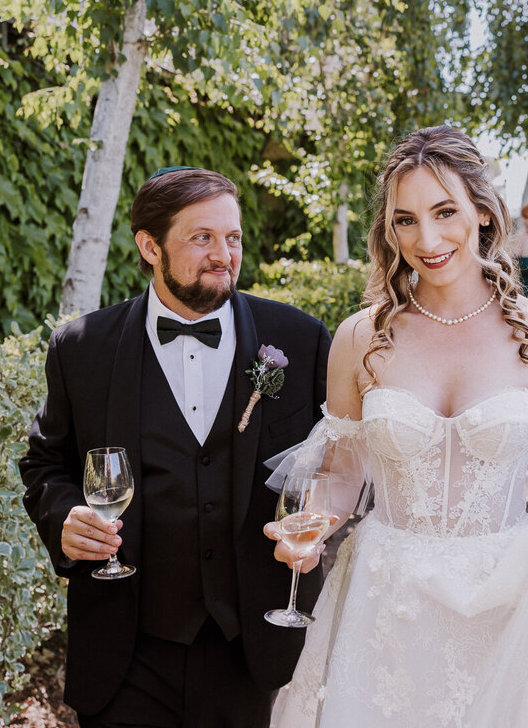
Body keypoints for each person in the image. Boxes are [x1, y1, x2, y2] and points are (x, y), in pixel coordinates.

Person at [264, 126, 528, 727]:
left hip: (505, 602)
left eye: (445, 212)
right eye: (406, 220)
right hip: (386, 604)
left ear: (483, 213)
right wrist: (312, 531)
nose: (428, 239)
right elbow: (342, 475)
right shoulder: (361, 337)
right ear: (389, 230)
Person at [19, 167, 331, 728]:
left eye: (232, 237)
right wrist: (64, 517)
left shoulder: (301, 339)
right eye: (201, 237)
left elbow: (336, 465)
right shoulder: (81, 348)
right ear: (150, 247)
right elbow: (44, 463)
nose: (223, 255)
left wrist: (317, 531)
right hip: (126, 650)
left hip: (255, 648)